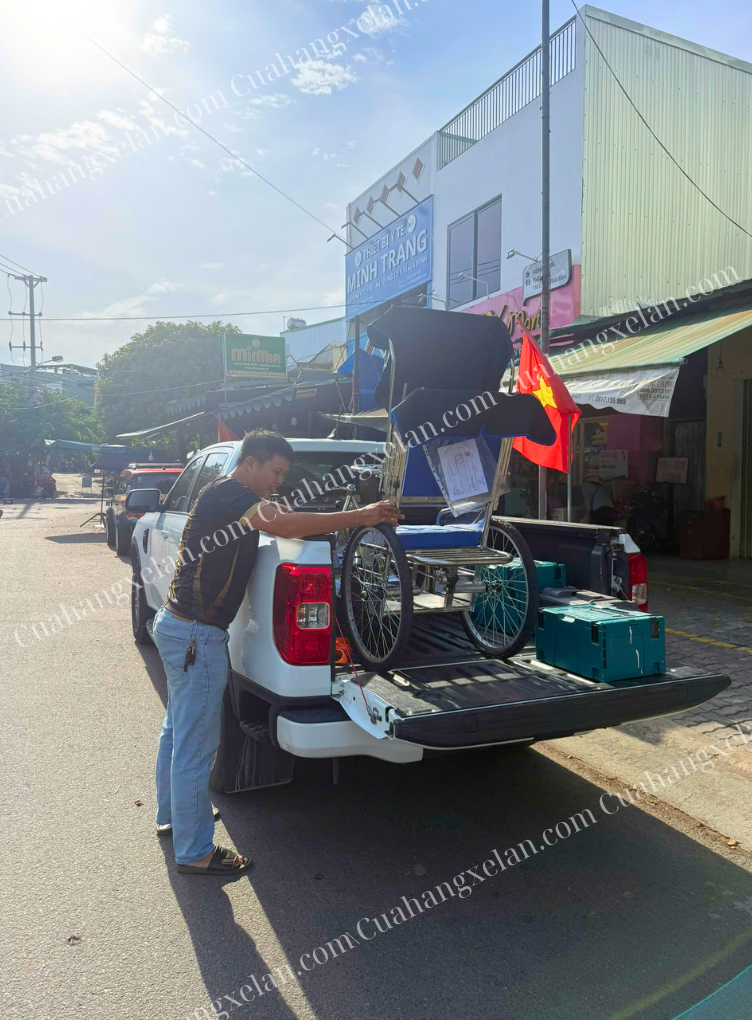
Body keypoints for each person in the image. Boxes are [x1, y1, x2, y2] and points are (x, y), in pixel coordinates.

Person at [151, 430, 402, 876]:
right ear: (250, 462)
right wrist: (361, 515)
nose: (278, 481)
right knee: (196, 744)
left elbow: (286, 517)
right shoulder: (231, 493)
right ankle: (195, 851)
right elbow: (284, 526)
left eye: (283, 475)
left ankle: (175, 817)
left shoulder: (228, 495)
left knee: (177, 731)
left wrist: (335, 513)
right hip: (195, 635)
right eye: (276, 472)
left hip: (180, 627)